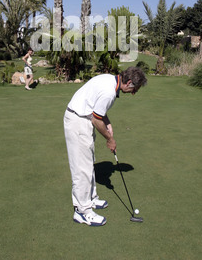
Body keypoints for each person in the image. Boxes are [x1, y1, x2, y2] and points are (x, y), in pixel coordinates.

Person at [63, 66, 147, 226]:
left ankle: (91, 198)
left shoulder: (110, 80)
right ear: (129, 82)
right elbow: (96, 119)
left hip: (82, 118)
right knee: (82, 168)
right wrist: (109, 139)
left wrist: (107, 123)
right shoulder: (109, 92)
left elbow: (99, 112)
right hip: (78, 121)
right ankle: (82, 211)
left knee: (88, 163)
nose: (134, 92)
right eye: (134, 89)